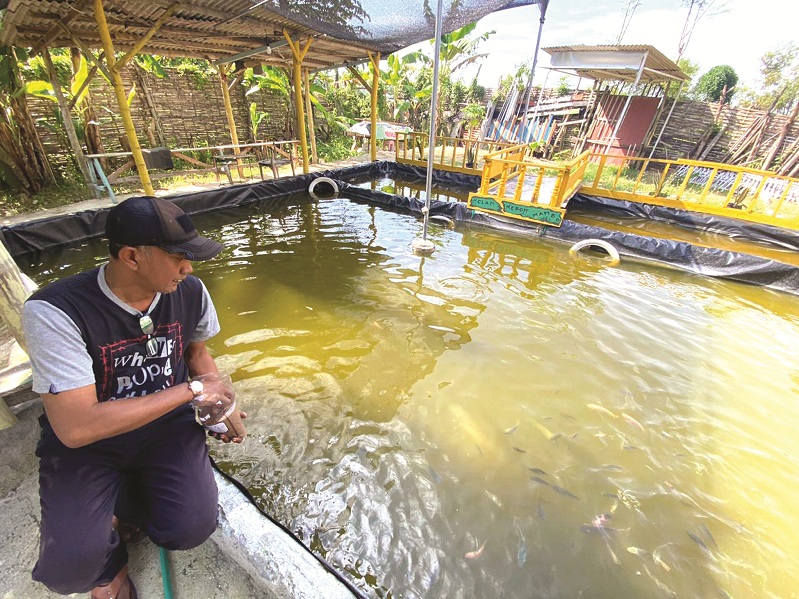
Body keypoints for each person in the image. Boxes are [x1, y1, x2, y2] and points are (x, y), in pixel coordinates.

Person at [21, 196, 243, 599]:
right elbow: (76, 427)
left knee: (188, 528)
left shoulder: (190, 291)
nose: (189, 268)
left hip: (167, 429)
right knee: (68, 572)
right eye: (178, 257)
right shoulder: (55, 311)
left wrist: (214, 404)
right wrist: (192, 390)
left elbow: (195, 353)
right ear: (131, 257)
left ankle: (118, 508)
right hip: (92, 442)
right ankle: (110, 567)